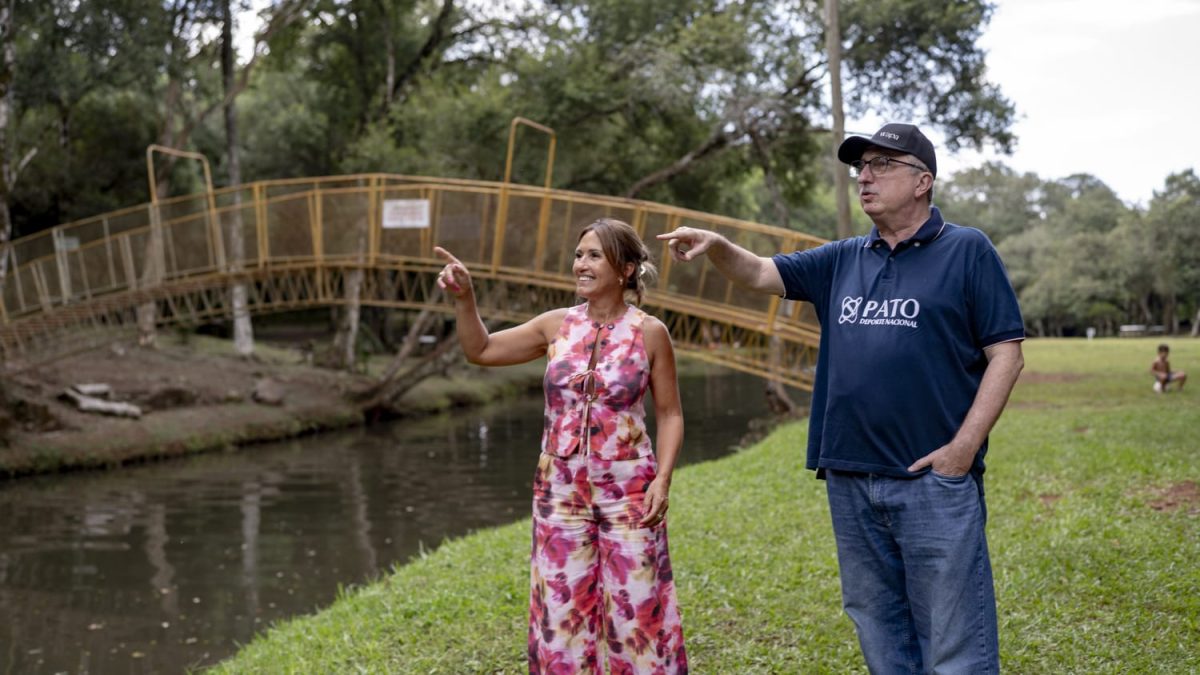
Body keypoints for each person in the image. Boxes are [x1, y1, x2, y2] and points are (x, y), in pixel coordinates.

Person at [657, 123, 1025, 673]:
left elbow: (1007, 354)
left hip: (934, 480)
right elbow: (760, 272)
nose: (865, 176)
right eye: (861, 167)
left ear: (923, 181)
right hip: (852, 476)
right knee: (880, 628)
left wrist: (962, 449)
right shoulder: (843, 258)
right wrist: (717, 246)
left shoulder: (967, 250)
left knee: (955, 637)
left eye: (882, 165)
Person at [434, 218, 688, 674]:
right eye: (579, 254)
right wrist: (465, 299)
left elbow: (670, 413)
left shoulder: (650, 333)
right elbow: (483, 350)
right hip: (559, 491)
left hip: (630, 489)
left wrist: (662, 481)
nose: (581, 264)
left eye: (594, 255)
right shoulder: (555, 326)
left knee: (639, 608)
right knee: (560, 611)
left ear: (626, 269)